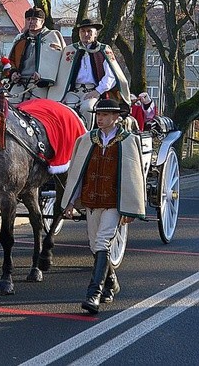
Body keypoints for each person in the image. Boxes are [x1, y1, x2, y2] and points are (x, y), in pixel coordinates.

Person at [61, 99, 146, 314]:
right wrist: (70, 202)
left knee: (102, 241)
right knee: (94, 245)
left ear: (116, 118)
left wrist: (131, 208)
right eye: (98, 114)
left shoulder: (128, 141)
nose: (100, 118)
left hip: (113, 203)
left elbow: (133, 177)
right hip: (91, 201)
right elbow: (77, 174)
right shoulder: (86, 140)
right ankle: (112, 282)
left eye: (106, 115)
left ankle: (93, 294)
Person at [48, 18, 130, 129]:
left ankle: (86, 136)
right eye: (83, 31)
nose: (86, 34)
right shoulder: (70, 50)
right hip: (73, 91)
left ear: (95, 33)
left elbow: (111, 75)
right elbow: (61, 72)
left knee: (88, 107)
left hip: (92, 90)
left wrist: (98, 91)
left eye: (89, 31)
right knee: (65, 107)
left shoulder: (103, 50)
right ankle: (66, 136)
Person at [6, 7, 65, 103]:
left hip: (40, 83)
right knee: (10, 107)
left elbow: (58, 61)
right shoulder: (20, 38)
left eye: (34, 19)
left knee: (36, 109)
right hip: (20, 81)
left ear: (42, 22)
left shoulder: (52, 36)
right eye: (28, 19)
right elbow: (11, 60)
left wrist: (44, 75)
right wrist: (13, 72)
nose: (31, 22)